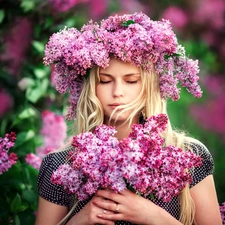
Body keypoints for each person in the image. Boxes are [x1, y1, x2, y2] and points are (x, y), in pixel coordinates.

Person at [35, 12, 222, 225]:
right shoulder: (60, 166)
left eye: (131, 81)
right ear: (90, 88)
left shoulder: (188, 158)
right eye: (105, 81)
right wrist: (77, 221)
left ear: (149, 87)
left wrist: (156, 217)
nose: (117, 92)